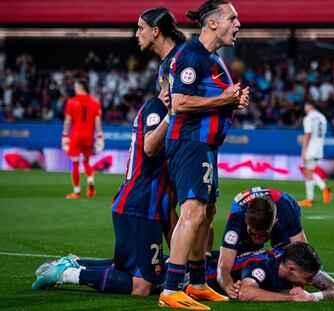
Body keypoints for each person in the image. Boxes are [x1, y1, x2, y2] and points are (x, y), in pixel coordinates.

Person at [32, 8, 186, 296]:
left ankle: (73, 263)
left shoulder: (165, 111)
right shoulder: (157, 110)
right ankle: (67, 274)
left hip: (140, 205)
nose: (136, 33)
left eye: (140, 28)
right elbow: (150, 148)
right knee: (142, 286)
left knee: (133, 270)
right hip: (139, 206)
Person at [159, 1, 249, 310]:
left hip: (205, 146)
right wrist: (223, 98)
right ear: (211, 24)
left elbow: (211, 96)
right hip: (188, 142)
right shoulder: (192, 55)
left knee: (207, 213)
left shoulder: (211, 59)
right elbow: (180, 103)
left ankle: (197, 283)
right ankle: (171, 289)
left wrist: (231, 100)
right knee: (194, 212)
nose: (238, 23)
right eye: (232, 17)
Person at [216, 186, 307, 297]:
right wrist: (229, 287)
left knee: (287, 260)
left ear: (274, 224)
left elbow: (303, 254)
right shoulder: (237, 218)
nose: (257, 239)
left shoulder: (286, 211)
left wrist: (299, 284)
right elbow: (223, 267)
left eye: (263, 235)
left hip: (284, 209)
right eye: (253, 233)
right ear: (246, 222)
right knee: (241, 261)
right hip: (244, 214)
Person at [208, 242, 334, 302]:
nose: (311, 282)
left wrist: (310, 295)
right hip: (207, 273)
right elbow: (246, 293)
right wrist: (292, 298)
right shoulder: (262, 266)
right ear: (292, 270)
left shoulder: (294, 261)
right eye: (308, 278)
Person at [62, 78, 104, 199]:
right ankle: (91, 186)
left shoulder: (72, 102)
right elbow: (98, 121)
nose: (74, 89)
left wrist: (65, 135)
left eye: (75, 87)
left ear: (80, 87)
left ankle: (76, 191)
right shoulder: (95, 102)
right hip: (88, 136)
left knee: (75, 162)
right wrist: (100, 136)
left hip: (76, 135)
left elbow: (68, 121)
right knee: (86, 161)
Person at [298, 101, 331, 207]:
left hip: (311, 148)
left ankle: (320, 190)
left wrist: (303, 150)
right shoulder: (322, 117)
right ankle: (313, 196)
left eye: (305, 105)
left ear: (310, 106)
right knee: (308, 172)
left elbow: (308, 134)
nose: (305, 108)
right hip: (319, 147)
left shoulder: (308, 118)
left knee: (307, 172)